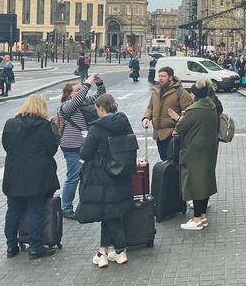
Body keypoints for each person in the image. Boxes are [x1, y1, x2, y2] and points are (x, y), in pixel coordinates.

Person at [77, 94, 134, 268]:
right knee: (111, 212)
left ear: (101, 108)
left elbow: (85, 154)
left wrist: (85, 141)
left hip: (102, 176)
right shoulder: (124, 123)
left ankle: (118, 251)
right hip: (121, 173)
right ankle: (105, 252)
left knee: (108, 213)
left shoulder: (96, 128)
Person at [1, 94, 60, 260]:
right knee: (36, 209)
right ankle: (35, 247)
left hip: (14, 175)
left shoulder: (10, 124)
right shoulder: (44, 126)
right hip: (37, 175)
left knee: (13, 210)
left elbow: (6, 146)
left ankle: (11, 246)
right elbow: (51, 149)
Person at [172, 78, 219, 231]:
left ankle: (197, 218)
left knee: (195, 183)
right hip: (209, 149)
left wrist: (179, 117)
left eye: (192, 92)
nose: (190, 95)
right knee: (205, 182)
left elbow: (180, 127)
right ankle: (203, 216)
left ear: (196, 94)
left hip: (194, 151)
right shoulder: (211, 106)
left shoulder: (195, 109)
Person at [57, 74, 106, 219]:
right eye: (77, 90)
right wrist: (87, 83)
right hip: (71, 146)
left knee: (84, 176)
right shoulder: (67, 106)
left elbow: (100, 97)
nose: (80, 92)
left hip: (82, 145)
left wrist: (99, 83)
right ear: (69, 94)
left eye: (80, 89)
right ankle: (65, 208)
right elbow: (77, 100)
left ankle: (81, 205)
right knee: (73, 177)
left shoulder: (81, 103)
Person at [142, 66, 194, 161]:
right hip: (159, 135)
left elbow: (189, 114)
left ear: (170, 77)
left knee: (173, 163)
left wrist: (178, 122)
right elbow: (150, 108)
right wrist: (146, 118)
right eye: (159, 76)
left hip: (173, 135)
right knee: (164, 161)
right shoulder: (156, 91)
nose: (160, 79)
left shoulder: (181, 93)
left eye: (163, 76)